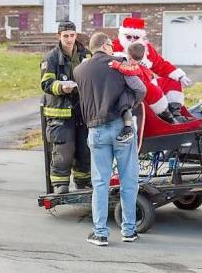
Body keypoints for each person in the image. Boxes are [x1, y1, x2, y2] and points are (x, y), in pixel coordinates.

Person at [73, 32, 146, 246]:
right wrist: (128, 105)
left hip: (96, 130)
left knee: (100, 183)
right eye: (111, 45)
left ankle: (101, 233)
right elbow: (140, 88)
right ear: (105, 46)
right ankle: (129, 231)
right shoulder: (118, 63)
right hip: (120, 126)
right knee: (128, 180)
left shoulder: (79, 70)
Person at [40, 21, 92, 195]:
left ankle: (83, 180)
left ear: (76, 35)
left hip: (82, 110)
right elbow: (46, 84)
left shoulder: (86, 55)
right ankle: (60, 183)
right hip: (60, 112)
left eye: (72, 35)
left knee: (85, 147)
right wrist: (62, 87)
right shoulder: (51, 58)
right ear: (59, 36)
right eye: (65, 36)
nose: (69, 39)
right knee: (64, 148)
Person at [111, 17, 192, 119]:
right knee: (153, 90)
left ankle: (175, 112)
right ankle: (166, 117)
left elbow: (160, 64)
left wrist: (178, 75)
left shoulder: (146, 49)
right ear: (122, 35)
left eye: (135, 37)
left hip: (148, 80)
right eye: (128, 37)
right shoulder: (114, 47)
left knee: (172, 81)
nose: (132, 40)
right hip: (131, 88)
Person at [110, 42, 178, 124]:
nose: (132, 62)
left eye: (136, 60)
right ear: (127, 54)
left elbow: (130, 71)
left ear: (140, 60)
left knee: (156, 95)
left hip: (143, 92)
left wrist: (118, 66)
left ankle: (170, 118)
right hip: (136, 89)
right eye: (131, 59)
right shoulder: (125, 59)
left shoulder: (136, 67)